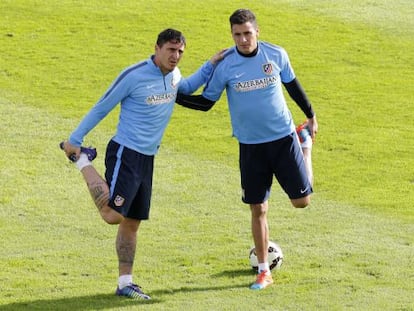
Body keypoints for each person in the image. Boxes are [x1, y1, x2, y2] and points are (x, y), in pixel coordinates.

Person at [60, 28, 225, 300]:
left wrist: (211, 65)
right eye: (171, 50)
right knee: (113, 215)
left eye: (180, 52)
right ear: (157, 48)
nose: (176, 56)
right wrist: (75, 140)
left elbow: (186, 87)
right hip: (126, 152)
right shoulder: (134, 75)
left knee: (132, 222)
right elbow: (103, 106)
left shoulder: (173, 75)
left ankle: (125, 283)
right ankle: (82, 160)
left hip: (147, 158)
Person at [176, 9, 318, 290]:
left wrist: (311, 116)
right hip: (251, 147)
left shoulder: (276, 54)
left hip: (283, 139)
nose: (242, 39)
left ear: (257, 31)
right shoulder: (226, 65)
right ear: (232, 34)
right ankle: (264, 271)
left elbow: (292, 86)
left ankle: (306, 147)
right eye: (237, 34)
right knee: (258, 208)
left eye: (247, 33)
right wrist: (172, 98)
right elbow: (206, 102)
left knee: (301, 202)